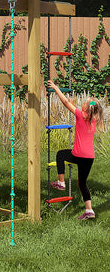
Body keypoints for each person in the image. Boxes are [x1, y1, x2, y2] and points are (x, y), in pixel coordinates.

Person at [47, 80, 104, 220]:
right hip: (89, 157)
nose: (82, 105)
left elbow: (65, 103)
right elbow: (87, 107)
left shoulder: (80, 115)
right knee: (82, 183)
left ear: (86, 108)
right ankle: (89, 210)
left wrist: (56, 88)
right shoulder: (94, 119)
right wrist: (79, 104)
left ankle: (61, 182)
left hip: (78, 154)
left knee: (61, 154)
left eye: (84, 103)